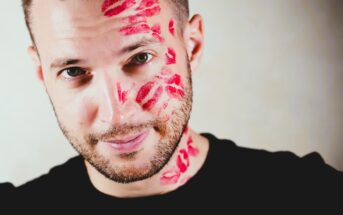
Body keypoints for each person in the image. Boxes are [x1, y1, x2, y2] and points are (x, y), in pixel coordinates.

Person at [1, 0, 342, 212]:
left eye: (140, 57)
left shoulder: (309, 196)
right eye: (74, 71)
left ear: (191, 46)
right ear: (41, 72)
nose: (115, 113)